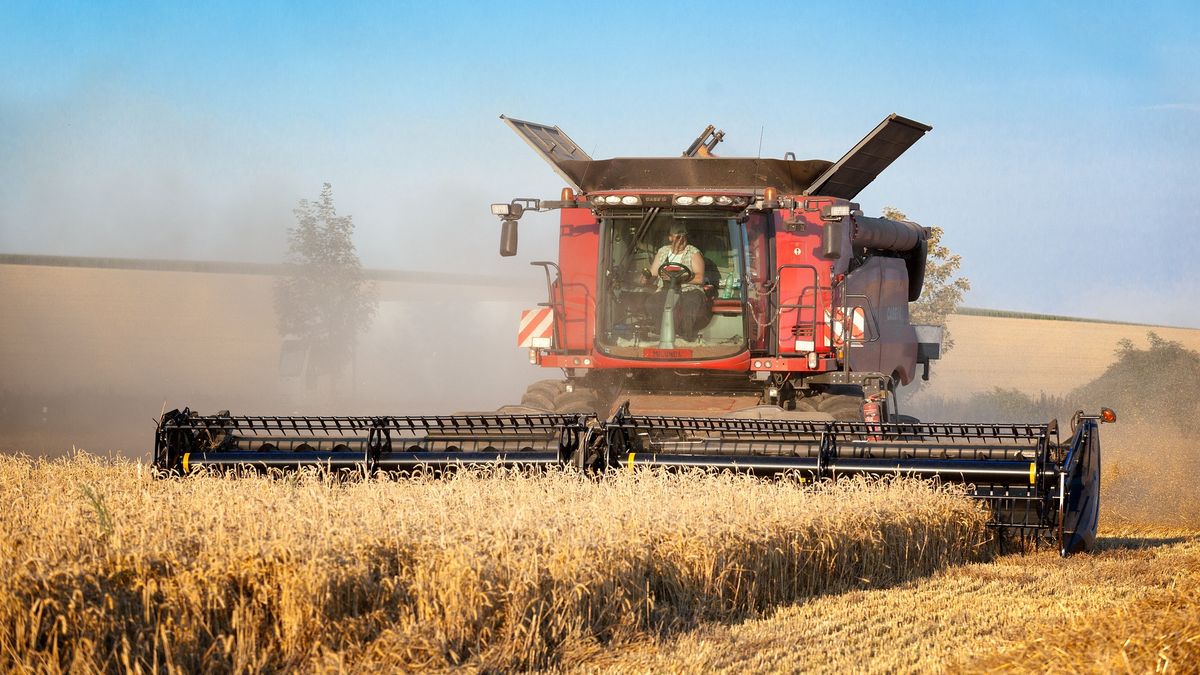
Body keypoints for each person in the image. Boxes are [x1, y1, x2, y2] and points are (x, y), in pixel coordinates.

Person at [642, 223, 712, 341]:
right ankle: (663, 335)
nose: (681, 240)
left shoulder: (693, 252)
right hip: (666, 289)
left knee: (689, 304)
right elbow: (653, 273)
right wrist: (646, 278)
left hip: (689, 290)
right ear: (670, 238)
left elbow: (700, 278)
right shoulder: (663, 251)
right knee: (652, 302)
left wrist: (679, 278)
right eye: (678, 237)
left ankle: (685, 337)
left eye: (683, 237)